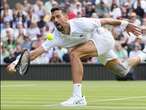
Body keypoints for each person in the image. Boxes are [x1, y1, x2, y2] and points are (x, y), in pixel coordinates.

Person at [7, 7, 146, 106]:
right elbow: (35, 53)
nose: (56, 20)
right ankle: (143, 55)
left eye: (58, 16)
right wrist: (15, 62)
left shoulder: (81, 23)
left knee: (74, 53)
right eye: (53, 18)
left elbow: (104, 20)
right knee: (122, 70)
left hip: (103, 38)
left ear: (66, 17)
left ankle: (78, 97)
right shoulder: (55, 37)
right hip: (94, 45)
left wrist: (125, 24)